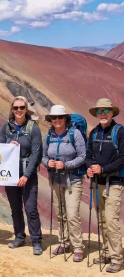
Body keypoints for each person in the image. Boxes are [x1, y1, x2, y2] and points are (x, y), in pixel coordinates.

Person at [0, 96, 43, 255]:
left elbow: (36, 153)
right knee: (15, 208)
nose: (19, 110)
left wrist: (26, 175)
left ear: (26, 110)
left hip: (28, 174)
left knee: (30, 208)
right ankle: (19, 236)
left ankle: (36, 240)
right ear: (12, 110)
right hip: (10, 174)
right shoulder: (6, 128)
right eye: (16, 108)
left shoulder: (33, 128)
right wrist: (7, 146)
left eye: (21, 108)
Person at [42, 105, 86, 262]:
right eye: (54, 118)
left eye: (60, 117)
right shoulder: (48, 135)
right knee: (60, 213)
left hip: (72, 180)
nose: (57, 120)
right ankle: (63, 242)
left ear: (66, 119)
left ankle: (78, 247)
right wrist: (49, 163)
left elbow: (82, 156)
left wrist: (65, 165)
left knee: (72, 214)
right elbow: (43, 156)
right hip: (55, 180)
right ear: (51, 120)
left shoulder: (75, 134)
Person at [86, 98, 124, 273]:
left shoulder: (119, 132)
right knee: (102, 219)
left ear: (112, 112)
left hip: (115, 182)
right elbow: (88, 155)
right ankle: (107, 252)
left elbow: (123, 159)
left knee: (111, 219)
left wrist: (102, 169)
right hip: (98, 183)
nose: (102, 114)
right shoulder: (94, 133)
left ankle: (117, 258)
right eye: (99, 111)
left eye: (105, 111)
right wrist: (90, 168)